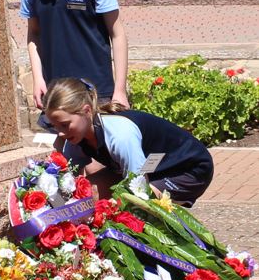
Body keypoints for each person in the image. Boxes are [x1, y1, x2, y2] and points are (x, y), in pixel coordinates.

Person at [42, 77, 214, 207]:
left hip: (187, 168)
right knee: (86, 197)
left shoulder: (120, 137)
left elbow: (139, 192)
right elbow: (71, 184)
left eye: (64, 125)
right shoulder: (74, 135)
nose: (60, 133)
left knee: (129, 208)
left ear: (86, 111)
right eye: (55, 126)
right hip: (148, 167)